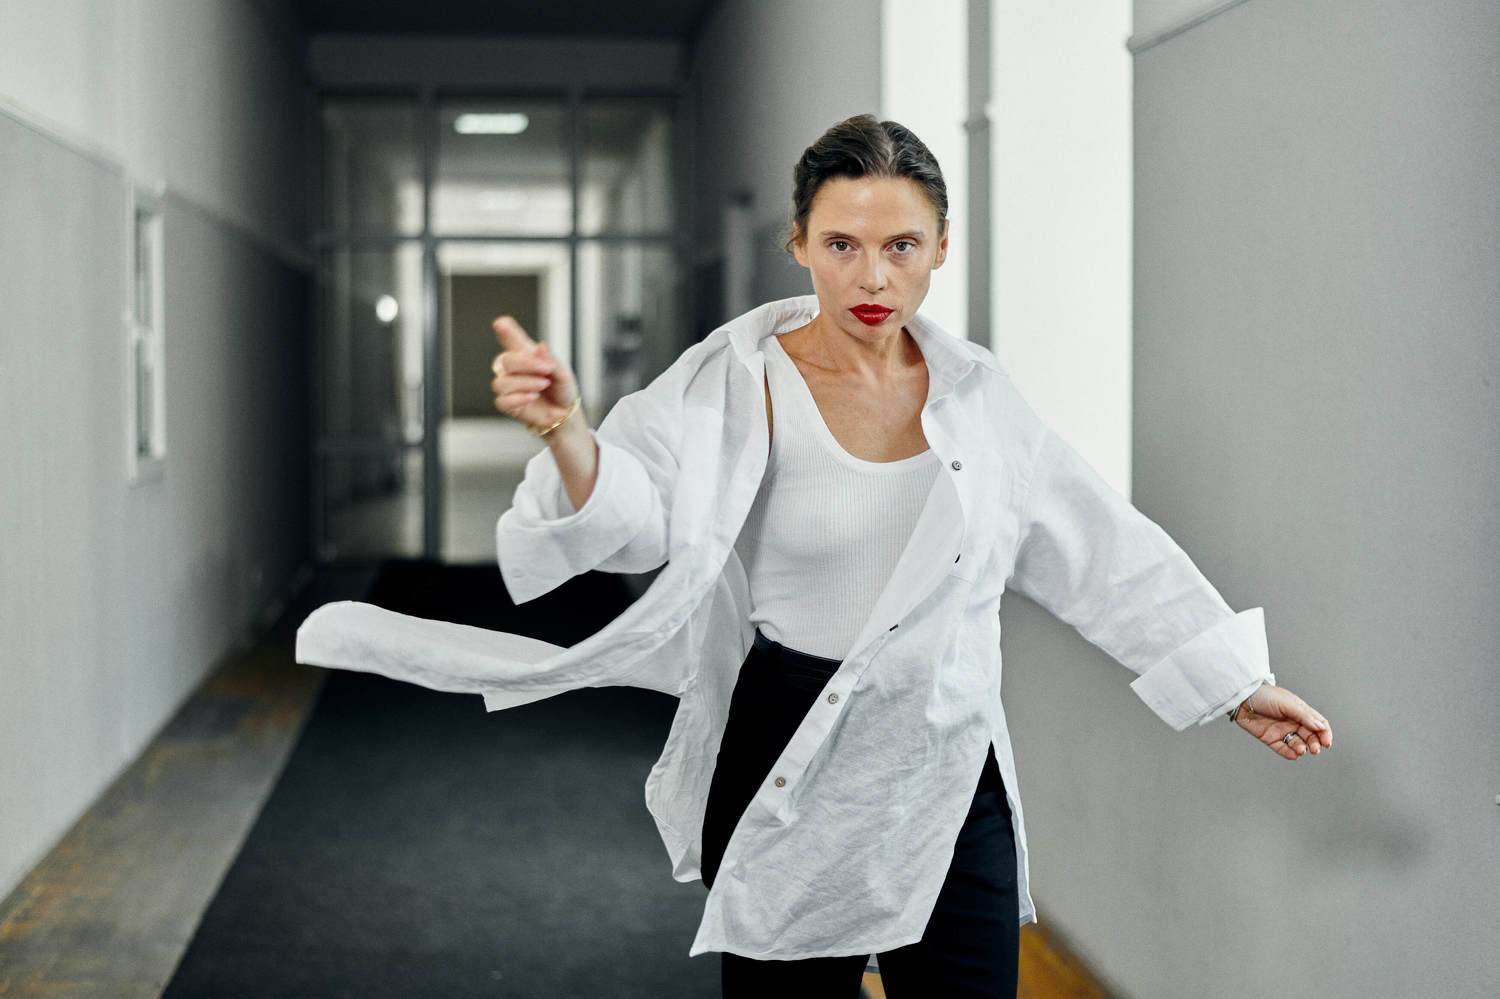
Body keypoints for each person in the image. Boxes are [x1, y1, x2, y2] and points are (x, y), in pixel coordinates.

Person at [298, 113, 1332, 998]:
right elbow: (638, 510)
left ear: (940, 248)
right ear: (798, 242)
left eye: (901, 246)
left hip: (946, 752)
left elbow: (1098, 545)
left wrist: (1236, 683)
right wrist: (568, 428)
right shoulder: (734, 382)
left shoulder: (980, 397)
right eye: (842, 244)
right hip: (788, 736)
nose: (872, 276)